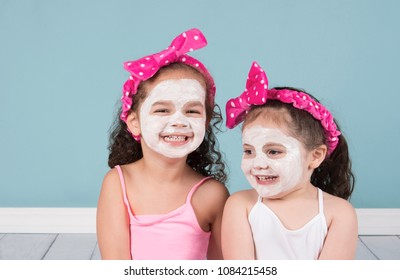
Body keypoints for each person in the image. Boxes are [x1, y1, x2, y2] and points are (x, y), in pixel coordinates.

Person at [97, 28, 229, 260]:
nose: (178, 121)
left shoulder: (213, 195)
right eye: (162, 110)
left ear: (205, 123)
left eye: (191, 110)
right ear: (134, 123)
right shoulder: (117, 184)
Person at [221, 61, 357, 260]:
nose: (258, 163)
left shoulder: (339, 213)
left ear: (315, 156)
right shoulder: (240, 205)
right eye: (249, 151)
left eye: (274, 151)